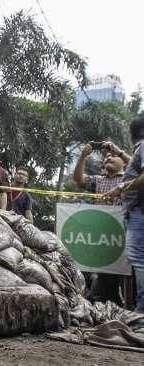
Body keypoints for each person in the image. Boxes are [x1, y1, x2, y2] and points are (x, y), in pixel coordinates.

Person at [74, 141, 129, 305]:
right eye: (106, 157)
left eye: (112, 156)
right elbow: (78, 179)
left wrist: (118, 151)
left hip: (125, 233)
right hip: (103, 237)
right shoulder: (97, 180)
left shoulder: (130, 178)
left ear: (123, 162)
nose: (108, 158)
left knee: (126, 275)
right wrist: (83, 156)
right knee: (105, 274)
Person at [105, 116, 144, 312]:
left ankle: (141, 308)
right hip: (136, 210)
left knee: (138, 259)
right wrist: (119, 152)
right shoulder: (139, 151)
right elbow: (136, 169)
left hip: (139, 211)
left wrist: (122, 187)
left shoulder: (143, 146)